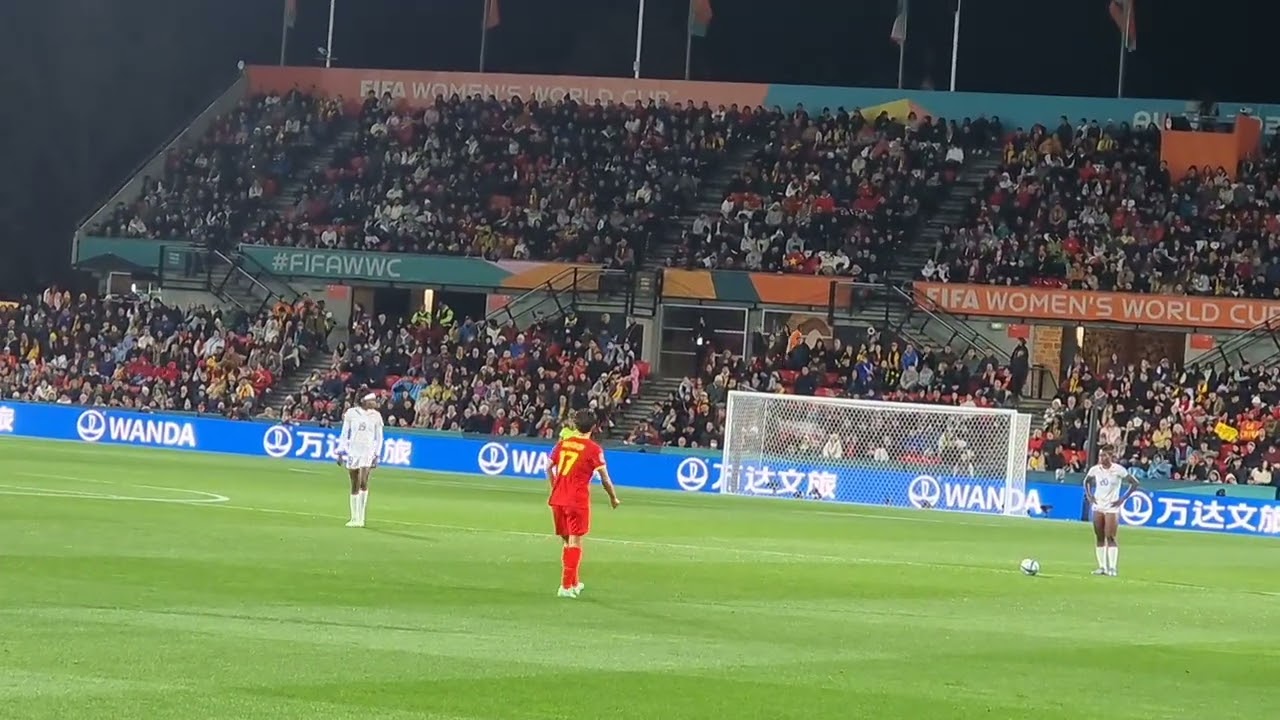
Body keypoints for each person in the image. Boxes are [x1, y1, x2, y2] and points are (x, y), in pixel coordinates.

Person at [546, 409, 621, 598]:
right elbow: (604, 478)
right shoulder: (593, 449)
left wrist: (555, 485)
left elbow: (548, 466)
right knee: (575, 541)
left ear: (575, 425)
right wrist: (613, 497)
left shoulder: (563, 443)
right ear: (594, 427)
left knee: (566, 542)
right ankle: (565, 586)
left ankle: (574, 583)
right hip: (576, 500)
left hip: (557, 498)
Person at [1083, 444, 1140, 577]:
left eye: (1104, 455)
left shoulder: (1118, 470)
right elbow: (1086, 481)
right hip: (1098, 505)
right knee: (1099, 536)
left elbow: (1134, 483)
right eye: (1100, 455)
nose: (1101, 458)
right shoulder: (1095, 470)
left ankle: (1112, 567)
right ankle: (1102, 567)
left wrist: (1122, 499)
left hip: (1111, 507)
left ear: (1111, 456)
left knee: (1111, 536)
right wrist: (1089, 495)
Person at [337, 393, 384, 528]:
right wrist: (341, 450)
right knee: (354, 483)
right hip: (354, 450)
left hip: (368, 451)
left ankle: (361, 517)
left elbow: (379, 437)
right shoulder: (351, 413)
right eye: (372, 400)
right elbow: (345, 433)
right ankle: (354, 517)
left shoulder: (376, 416)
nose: (375, 402)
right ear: (364, 401)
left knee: (363, 481)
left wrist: (377, 454)